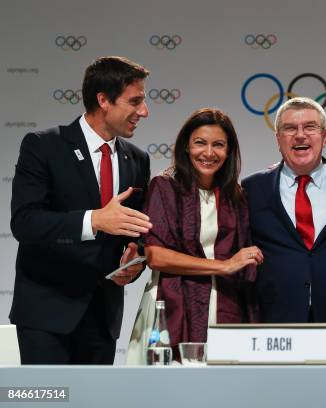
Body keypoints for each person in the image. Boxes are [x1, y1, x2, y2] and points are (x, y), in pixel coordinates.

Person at [10, 56, 152, 364]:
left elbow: (137, 228)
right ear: (103, 100)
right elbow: (25, 222)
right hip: (47, 314)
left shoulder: (138, 159)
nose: (144, 111)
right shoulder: (43, 146)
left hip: (103, 317)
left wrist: (135, 256)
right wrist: (95, 220)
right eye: (135, 101)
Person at [126, 108, 262, 364]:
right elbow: (156, 256)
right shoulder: (164, 187)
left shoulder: (236, 196)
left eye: (218, 145)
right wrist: (224, 265)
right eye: (200, 142)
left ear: (229, 151)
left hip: (225, 306)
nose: (209, 153)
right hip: (172, 306)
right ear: (186, 147)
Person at [242, 97, 326, 364]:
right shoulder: (252, 189)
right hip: (274, 333)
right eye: (289, 128)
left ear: (324, 136)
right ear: (278, 138)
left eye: (309, 127)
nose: (300, 135)